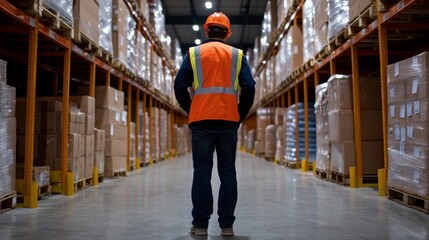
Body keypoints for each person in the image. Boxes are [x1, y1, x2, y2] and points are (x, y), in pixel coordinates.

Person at [174, 12, 255, 237]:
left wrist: (191, 109)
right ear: (227, 33)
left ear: (207, 30)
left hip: (201, 121)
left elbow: (179, 85)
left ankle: (200, 226)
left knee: (202, 173)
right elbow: (249, 87)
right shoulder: (237, 55)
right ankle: (226, 226)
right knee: (228, 173)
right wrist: (240, 114)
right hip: (228, 120)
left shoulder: (194, 53)